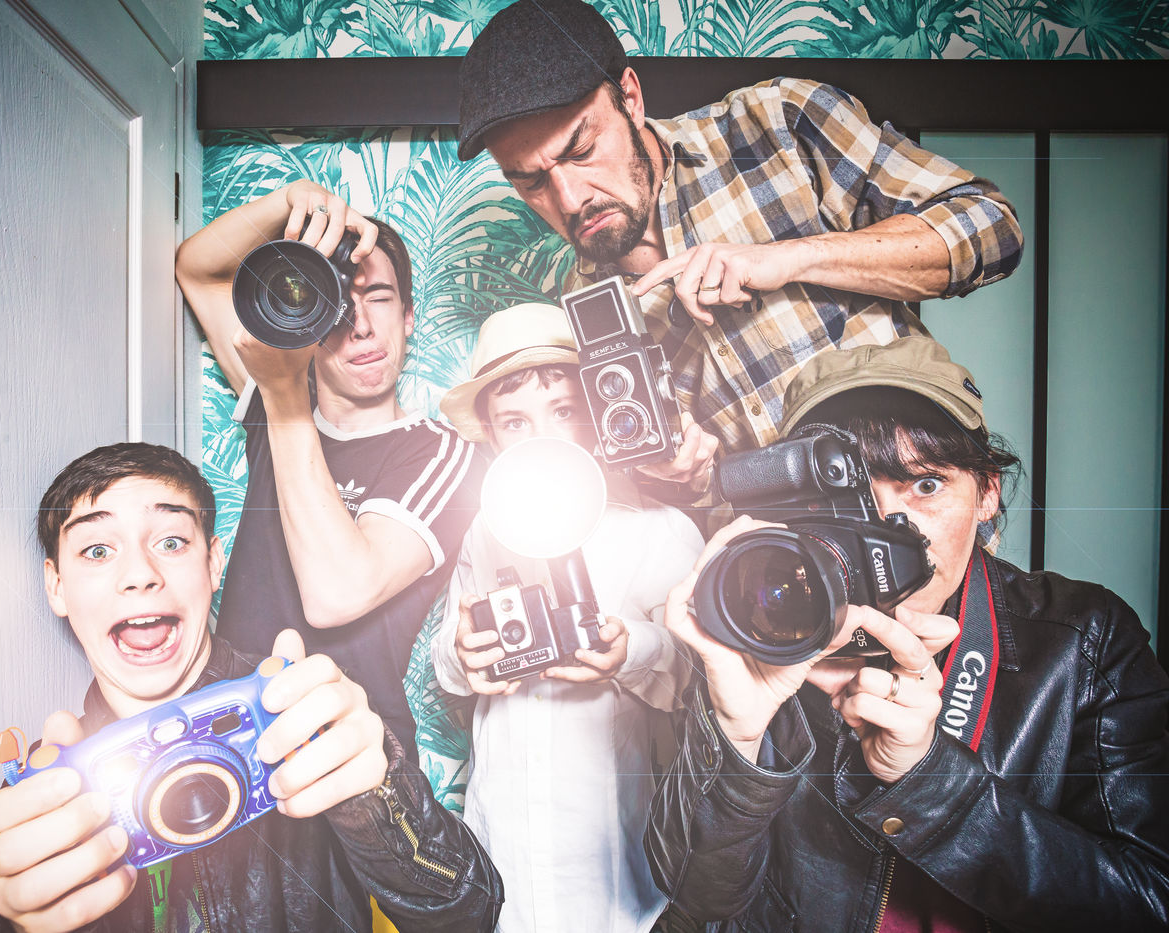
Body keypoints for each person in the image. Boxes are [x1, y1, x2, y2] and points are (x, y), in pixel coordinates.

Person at [644, 337, 1169, 931]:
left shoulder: (1082, 638)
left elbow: (1149, 904)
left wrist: (928, 778)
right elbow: (695, 900)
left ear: (987, 493)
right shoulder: (758, 629)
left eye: (925, 486)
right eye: (848, 498)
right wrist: (735, 737)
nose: (892, 531)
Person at [456, 0, 1024, 501]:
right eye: (531, 181)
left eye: (581, 150)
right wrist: (681, 475)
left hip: (923, 513)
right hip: (780, 568)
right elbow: (690, 496)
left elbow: (991, 228)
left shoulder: (777, 123)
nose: (569, 198)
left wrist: (791, 257)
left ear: (630, 97)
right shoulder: (583, 304)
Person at [0, 442, 502, 932]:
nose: (140, 574)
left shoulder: (309, 714)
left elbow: (470, 915)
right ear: (56, 586)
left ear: (213, 564)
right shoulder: (47, 796)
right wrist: (3, 920)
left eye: (171, 541)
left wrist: (375, 795)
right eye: (97, 550)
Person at [175, 181, 483, 757]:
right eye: (336, 302)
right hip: (230, 735)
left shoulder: (444, 456)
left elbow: (336, 595)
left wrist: (284, 391)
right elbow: (199, 270)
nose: (361, 326)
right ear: (307, 318)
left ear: (408, 317)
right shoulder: (276, 397)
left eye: (380, 297)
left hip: (352, 751)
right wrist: (293, 201)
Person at [430, 302, 703, 932]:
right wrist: (463, 653)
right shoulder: (485, 530)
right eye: (515, 421)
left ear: (600, 413)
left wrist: (632, 649)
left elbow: (700, 679)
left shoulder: (659, 530)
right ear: (491, 435)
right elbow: (449, 658)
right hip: (500, 854)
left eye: (565, 411)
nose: (544, 438)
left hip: (610, 875)